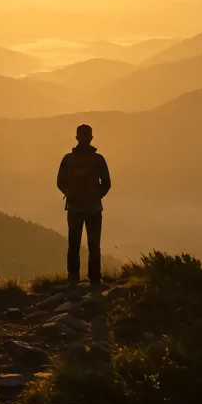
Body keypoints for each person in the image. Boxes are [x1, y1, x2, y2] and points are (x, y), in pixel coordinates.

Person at [57, 123, 111, 287]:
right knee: (94, 244)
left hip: (74, 208)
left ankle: (73, 277)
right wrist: (96, 196)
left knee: (74, 244)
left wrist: (70, 193)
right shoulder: (98, 159)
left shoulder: (68, 159)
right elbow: (107, 183)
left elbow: (60, 182)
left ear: (77, 138)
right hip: (94, 209)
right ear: (91, 138)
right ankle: (94, 278)